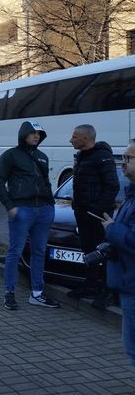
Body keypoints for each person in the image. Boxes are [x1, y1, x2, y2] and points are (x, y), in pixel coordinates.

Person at [0, 121, 60, 310]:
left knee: (39, 252)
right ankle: (9, 293)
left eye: (39, 133)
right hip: (22, 211)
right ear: (24, 134)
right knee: (15, 252)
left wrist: (51, 206)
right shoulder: (10, 156)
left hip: (44, 211)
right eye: (32, 133)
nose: (36, 136)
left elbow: (46, 183)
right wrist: (10, 207)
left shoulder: (42, 157)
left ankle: (37, 293)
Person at [68, 124, 120, 309]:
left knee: (103, 253)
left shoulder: (102, 156)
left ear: (86, 138)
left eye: (74, 137)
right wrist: (78, 205)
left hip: (98, 216)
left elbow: (112, 186)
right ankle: (90, 286)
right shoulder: (81, 157)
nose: (71, 140)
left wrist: (97, 209)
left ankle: (107, 292)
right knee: (88, 251)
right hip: (83, 214)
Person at [103, 143, 135, 395]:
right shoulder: (132, 195)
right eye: (124, 157)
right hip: (128, 281)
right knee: (131, 346)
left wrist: (112, 229)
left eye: (129, 158)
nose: (123, 163)